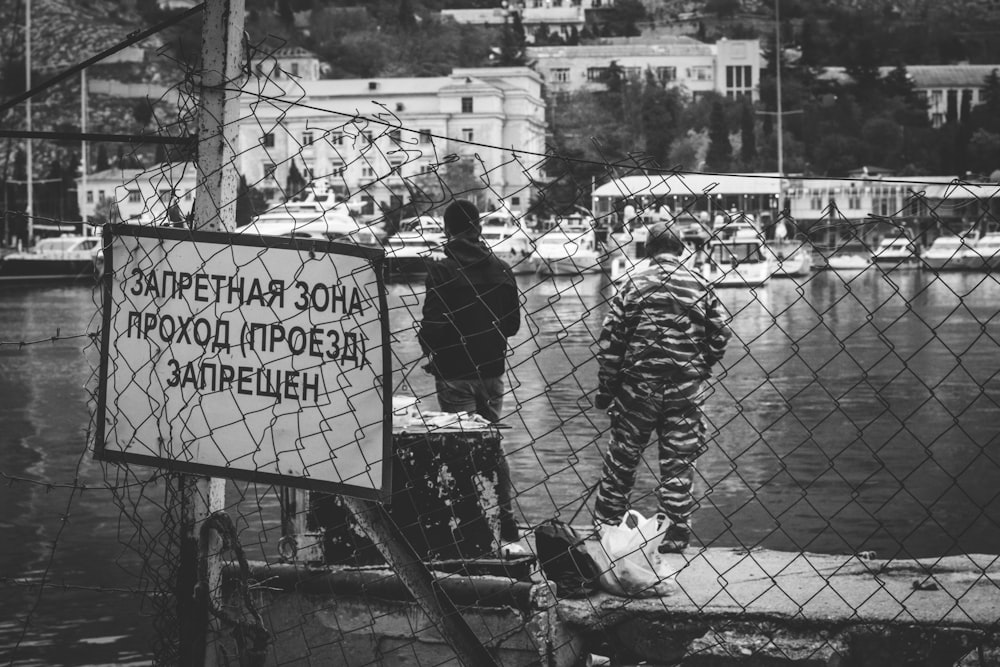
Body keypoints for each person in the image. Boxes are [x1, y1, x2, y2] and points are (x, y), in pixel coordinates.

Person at [593, 221, 732, 553]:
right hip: (685, 389)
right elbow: (721, 333)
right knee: (678, 463)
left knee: (622, 460)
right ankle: (674, 533)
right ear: (681, 249)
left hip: (637, 389)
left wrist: (607, 388)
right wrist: (700, 367)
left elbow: (611, 343)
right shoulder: (701, 284)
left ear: (647, 250)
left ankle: (607, 528)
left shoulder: (631, 285)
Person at [418, 199, 522, 542]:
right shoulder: (503, 269)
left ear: (447, 231)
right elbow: (512, 326)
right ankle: (505, 519)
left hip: (454, 374)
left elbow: (433, 327)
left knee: (460, 448)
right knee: (492, 445)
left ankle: (470, 523)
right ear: (478, 227)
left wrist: (431, 350)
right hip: (492, 372)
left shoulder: (443, 271)